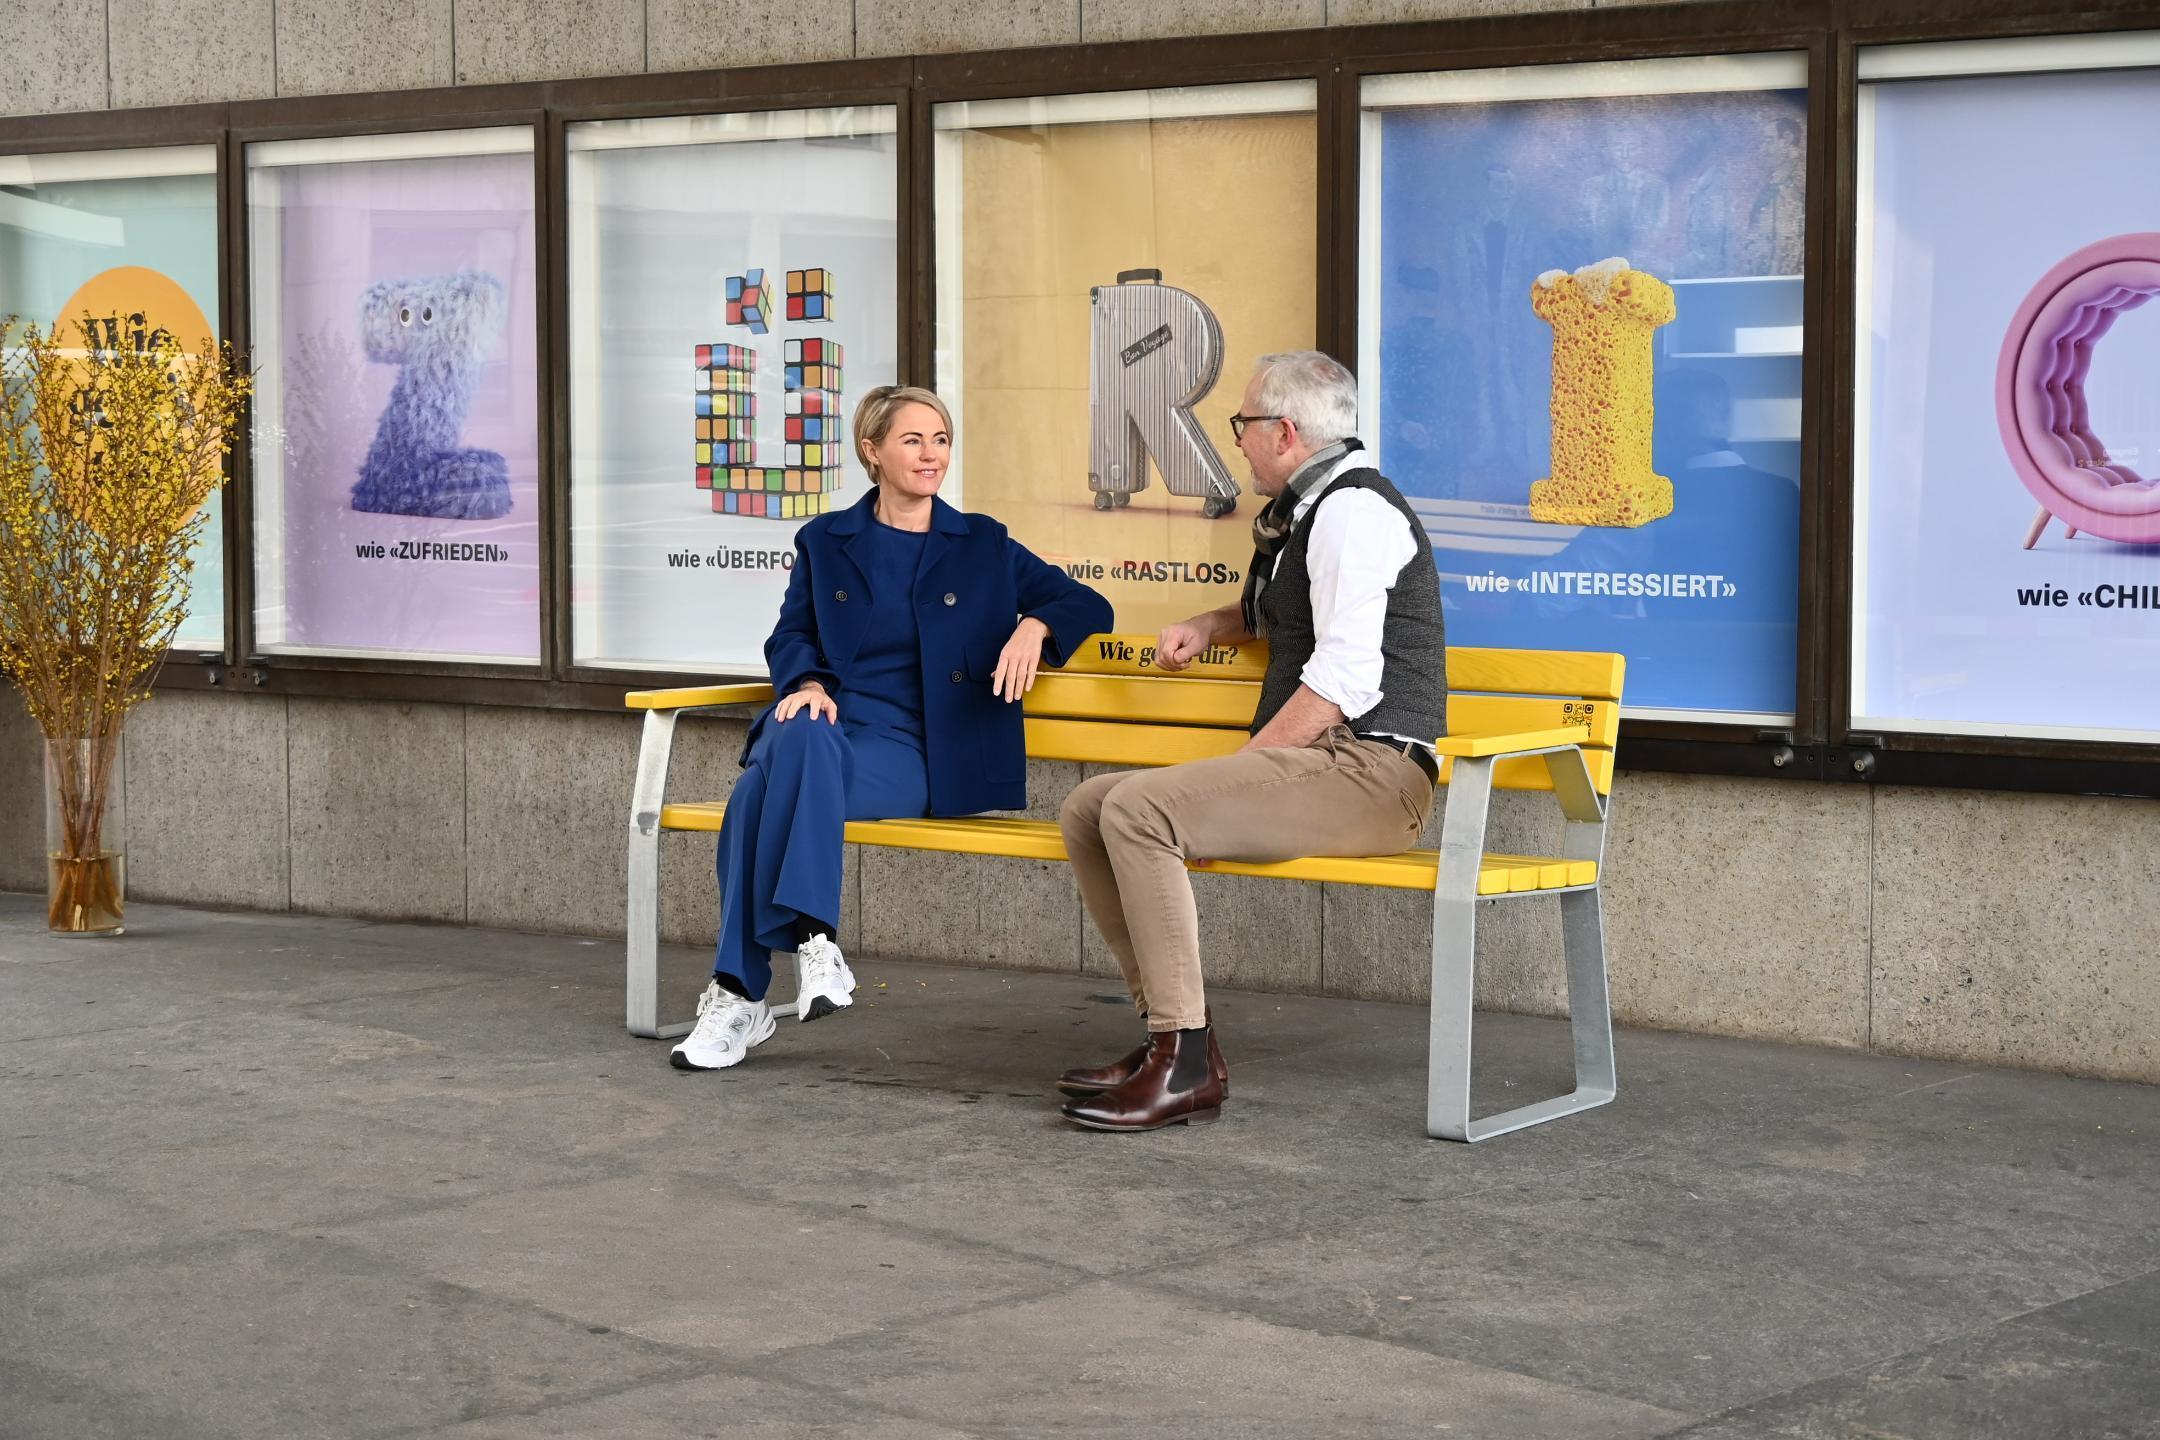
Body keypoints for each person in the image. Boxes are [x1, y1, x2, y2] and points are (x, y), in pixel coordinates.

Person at [1056, 351, 1448, 1131]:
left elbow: (1343, 681)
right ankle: (1171, 1038)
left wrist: (1237, 775)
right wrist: (1210, 624)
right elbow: (1292, 609)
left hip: (1374, 773)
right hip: (1333, 764)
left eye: (1244, 425)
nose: (1237, 440)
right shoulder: (1313, 509)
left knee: (1141, 812)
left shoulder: (1353, 512)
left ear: (1285, 431)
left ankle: (1184, 1059)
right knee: (1087, 807)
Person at [671, 385, 1114, 1071]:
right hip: (832, 731)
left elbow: (1086, 601)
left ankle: (741, 991)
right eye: (913, 440)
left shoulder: (984, 544)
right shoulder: (826, 540)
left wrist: (1037, 623)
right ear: (873, 451)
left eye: (940, 439)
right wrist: (810, 683)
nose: (931, 453)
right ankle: (813, 945)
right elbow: (790, 634)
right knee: (804, 730)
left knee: (757, 794)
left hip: (919, 752)